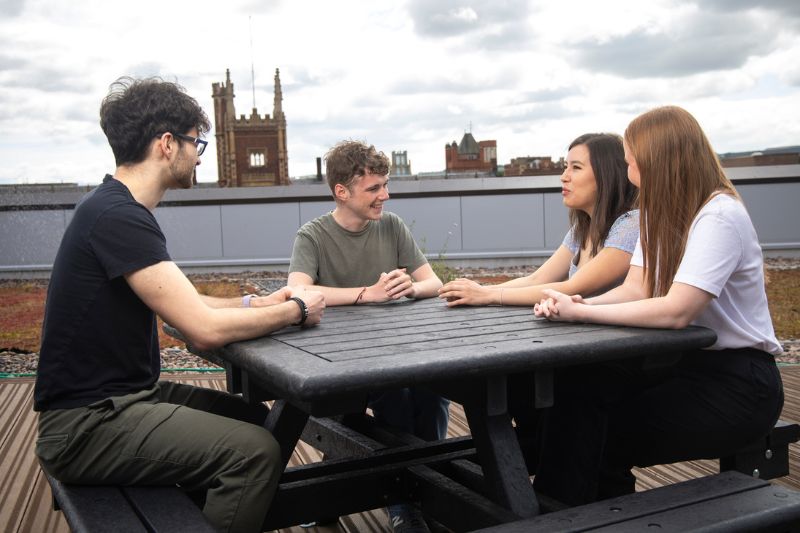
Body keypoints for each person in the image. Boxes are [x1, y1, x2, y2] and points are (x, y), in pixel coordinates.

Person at [33, 77, 324, 533]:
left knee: (255, 420)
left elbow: (188, 301)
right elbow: (201, 330)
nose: (200, 153)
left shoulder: (114, 207)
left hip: (121, 401)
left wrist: (257, 302)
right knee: (255, 453)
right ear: (167, 144)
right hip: (85, 426)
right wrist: (297, 311)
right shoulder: (119, 216)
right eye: (196, 141)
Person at [532, 106, 784, 506]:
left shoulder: (719, 215)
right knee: (574, 388)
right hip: (684, 363)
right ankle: (561, 509)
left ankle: (560, 514)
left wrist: (582, 312)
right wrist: (577, 299)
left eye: (632, 162)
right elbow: (635, 291)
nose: (629, 173)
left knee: (597, 436)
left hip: (739, 383)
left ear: (658, 162)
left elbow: (676, 310)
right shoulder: (658, 213)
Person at [287, 139, 445, 532]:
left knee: (435, 387)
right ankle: (407, 497)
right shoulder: (313, 236)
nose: (385, 196)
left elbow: (435, 283)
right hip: (337, 362)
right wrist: (366, 295)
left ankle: (430, 484)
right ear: (342, 192)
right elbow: (298, 292)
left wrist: (409, 287)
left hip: (397, 349)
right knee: (396, 392)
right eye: (374, 188)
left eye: (385, 185)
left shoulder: (391, 226)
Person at [438, 133, 639, 308]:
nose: (564, 176)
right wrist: (479, 290)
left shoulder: (630, 226)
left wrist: (488, 295)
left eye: (576, 168)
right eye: (565, 166)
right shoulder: (583, 228)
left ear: (607, 175)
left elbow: (572, 288)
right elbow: (538, 278)